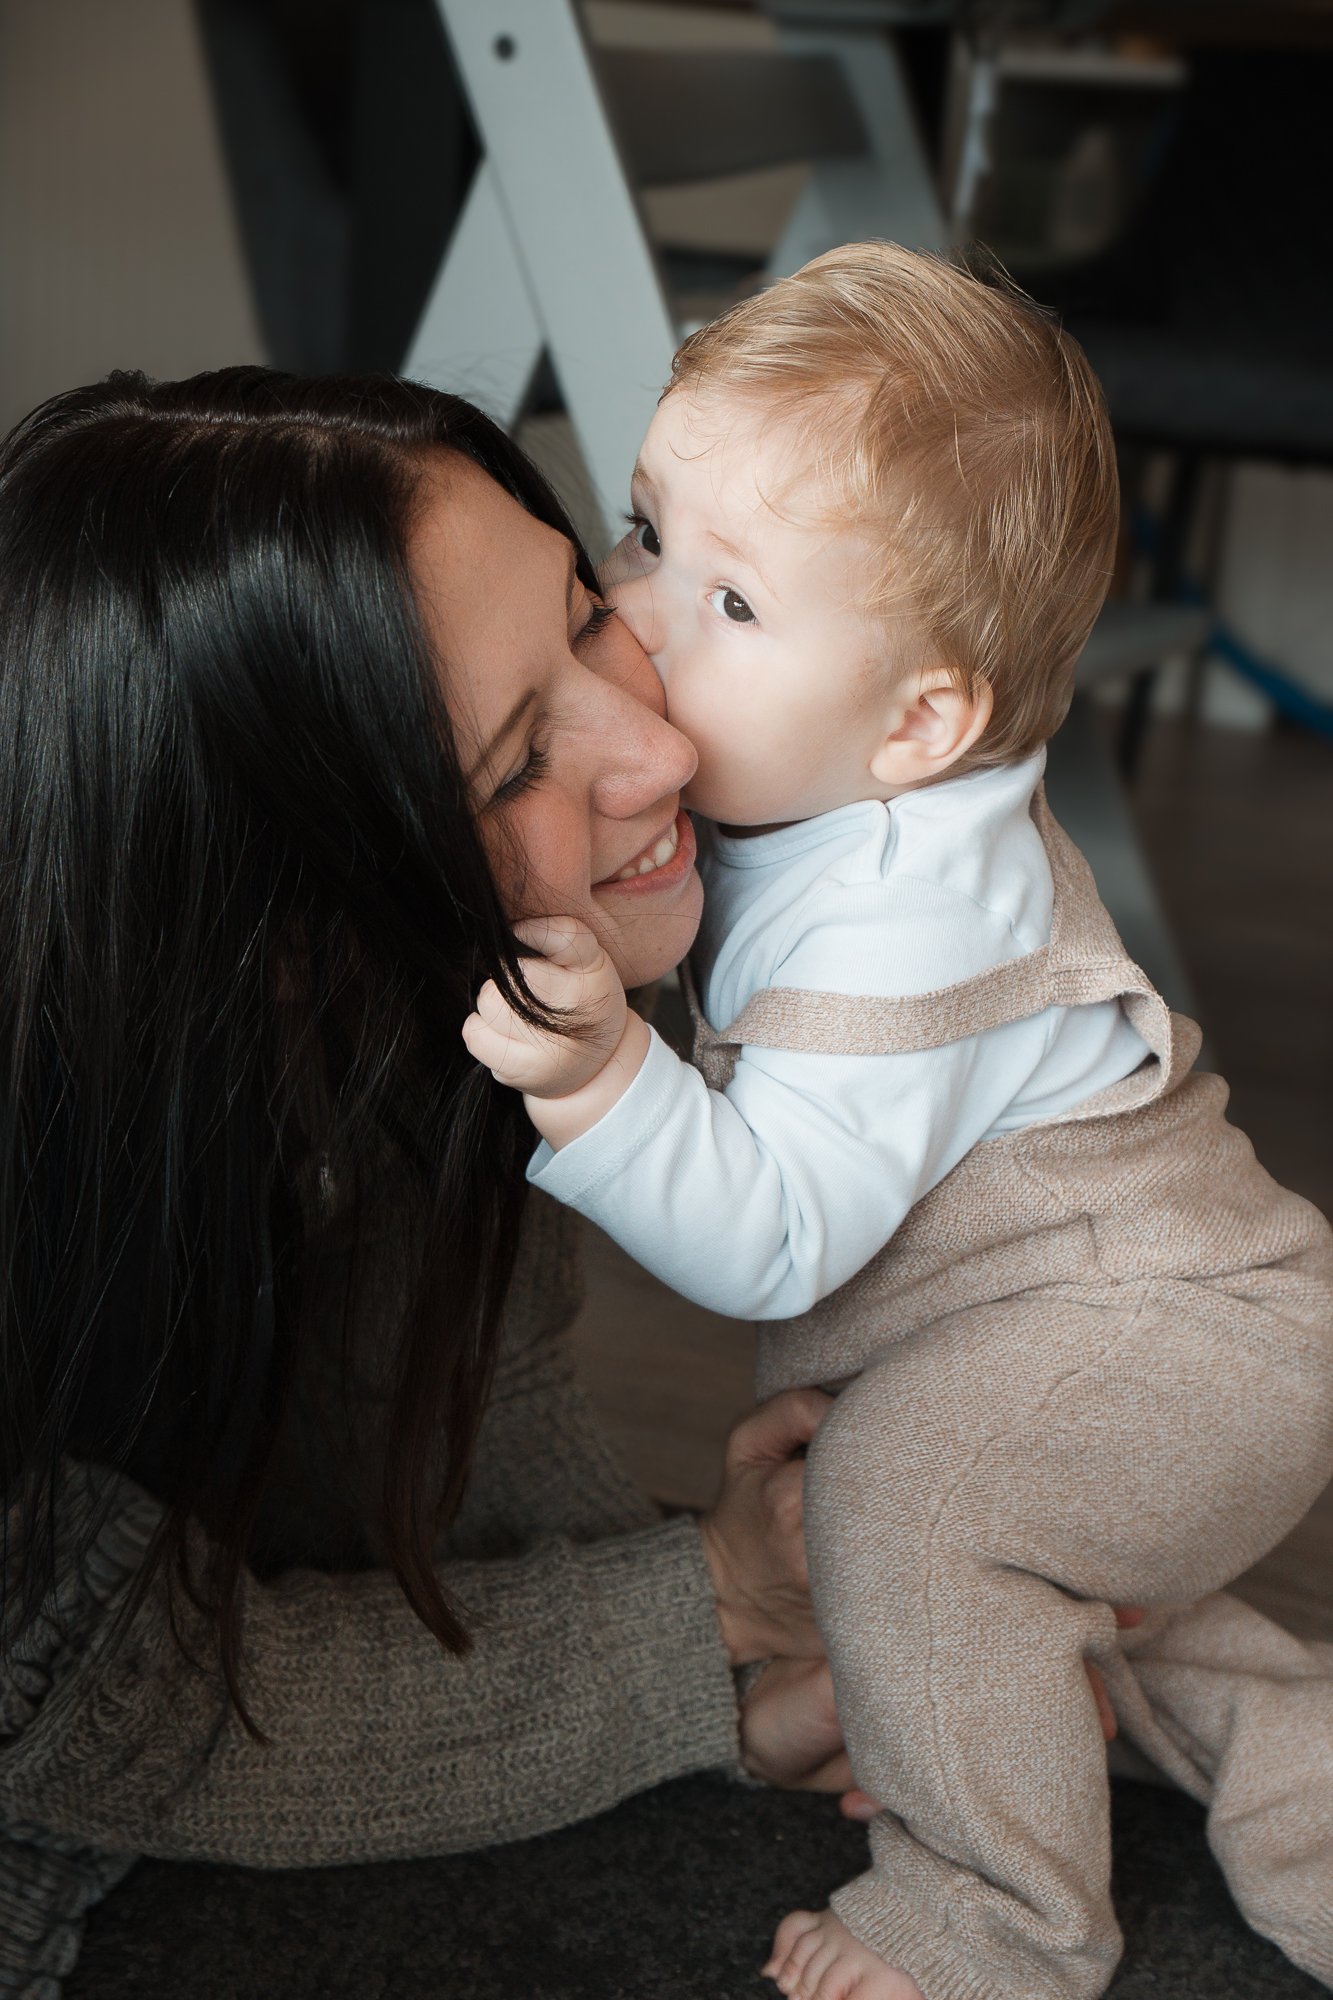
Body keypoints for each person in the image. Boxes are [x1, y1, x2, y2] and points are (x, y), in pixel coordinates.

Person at [463, 244, 1333, 2000]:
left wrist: (600, 1081)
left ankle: (989, 1926)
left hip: (1165, 1329)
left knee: (917, 1512)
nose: (634, 612)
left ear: (918, 719)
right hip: (1126, 1330)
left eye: (730, 603)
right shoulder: (836, 796)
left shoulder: (908, 905)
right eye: (644, 532)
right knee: (1061, 1612)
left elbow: (773, 1232)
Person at [0, 365, 856, 1996]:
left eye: (592, 612)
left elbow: (470, 1409)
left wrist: (776, 1632)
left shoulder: (449, 1020)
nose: (659, 746)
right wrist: (715, 1602)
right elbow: (87, 1725)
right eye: (520, 759)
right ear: (286, 936)